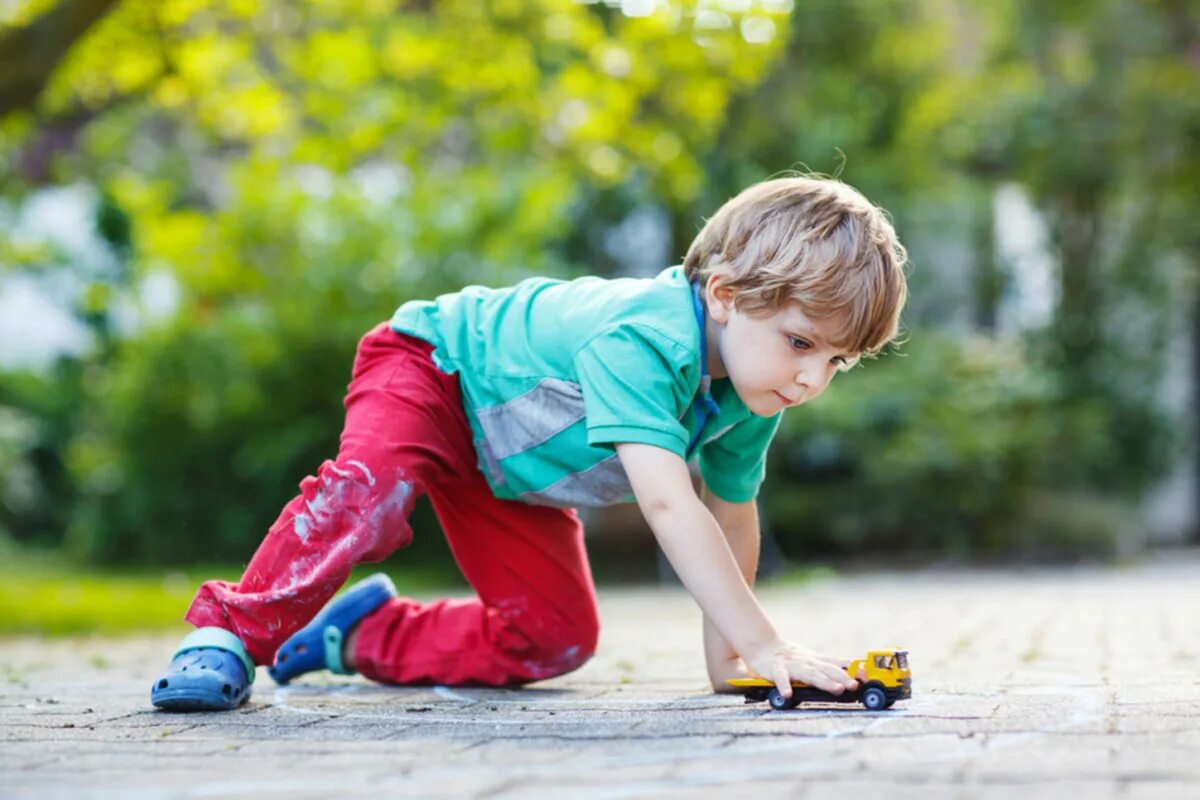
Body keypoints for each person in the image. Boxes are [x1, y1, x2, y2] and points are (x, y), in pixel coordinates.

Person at [150, 175, 908, 711]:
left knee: (554, 639)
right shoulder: (646, 337)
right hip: (436, 372)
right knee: (368, 495)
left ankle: (358, 634)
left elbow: (732, 514)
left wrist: (733, 660)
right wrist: (772, 643)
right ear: (726, 296)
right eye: (801, 341)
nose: (812, 379)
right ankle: (229, 634)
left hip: (512, 469)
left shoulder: (752, 395)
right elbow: (671, 504)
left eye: (837, 360)